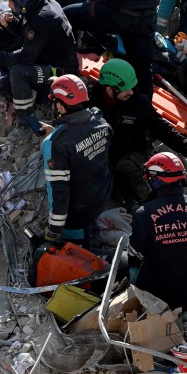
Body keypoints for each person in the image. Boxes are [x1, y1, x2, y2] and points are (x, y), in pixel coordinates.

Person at [93, 59, 187, 209]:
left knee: (126, 166)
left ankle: (153, 205)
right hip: (107, 153)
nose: (131, 92)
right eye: (126, 89)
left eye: (132, 87)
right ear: (109, 89)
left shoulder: (137, 102)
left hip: (134, 152)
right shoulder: (93, 100)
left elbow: (161, 127)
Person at [0, 0, 79, 140]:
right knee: (3, 86)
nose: (10, 5)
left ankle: (26, 122)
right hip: (49, 60)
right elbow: (28, 34)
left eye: (12, 1)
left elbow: (26, 57)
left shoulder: (42, 18)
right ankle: (39, 98)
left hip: (59, 72)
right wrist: (12, 25)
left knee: (19, 71)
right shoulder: (41, 4)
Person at [129, 153, 187, 309]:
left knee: (124, 261)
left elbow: (135, 254)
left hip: (159, 297)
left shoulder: (144, 212)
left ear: (155, 180)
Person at [39, 74, 113, 248]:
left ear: (59, 105)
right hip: (102, 194)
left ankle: (83, 246)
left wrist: (54, 230)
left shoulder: (54, 144)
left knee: (74, 250)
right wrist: (57, 131)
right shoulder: (101, 122)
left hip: (78, 212)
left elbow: (59, 191)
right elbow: (80, 137)